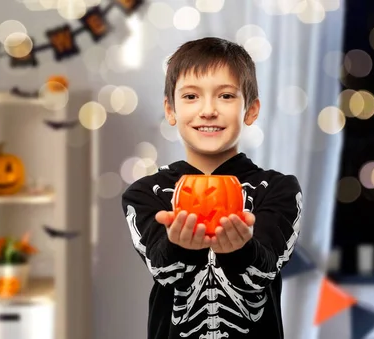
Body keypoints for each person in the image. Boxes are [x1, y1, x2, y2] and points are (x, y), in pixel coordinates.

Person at [121, 37, 303, 339]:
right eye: (191, 96)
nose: (208, 110)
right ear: (170, 110)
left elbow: (265, 270)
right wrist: (179, 247)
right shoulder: (145, 193)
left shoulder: (279, 189)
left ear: (251, 111)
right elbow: (163, 270)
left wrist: (241, 251)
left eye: (226, 96)